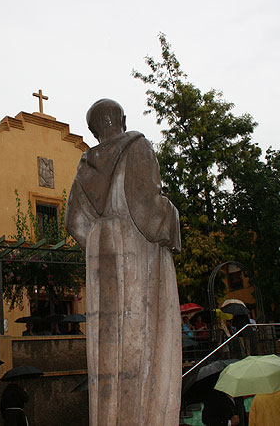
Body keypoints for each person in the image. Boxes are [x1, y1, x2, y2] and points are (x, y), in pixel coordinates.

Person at [65, 99, 182, 425]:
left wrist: (100, 239)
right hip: (135, 250)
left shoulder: (84, 167)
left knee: (109, 350)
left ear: (93, 130)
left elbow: (74, 223)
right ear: (122, 119)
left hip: (101, 254)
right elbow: (147, 207)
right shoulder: (136, 146)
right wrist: (172, 219)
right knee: (142, 340)